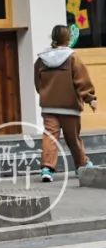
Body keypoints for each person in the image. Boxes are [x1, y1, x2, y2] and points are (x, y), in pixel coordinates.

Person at [36, 24, 98, 182]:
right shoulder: (72, 58)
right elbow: (81, 80)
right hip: (69, 107)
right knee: (73, 138)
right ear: (68, 39)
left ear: (53, 38)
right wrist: (90, 98)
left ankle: (47, 168)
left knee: (50, 137)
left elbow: (38, 82)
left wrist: (45, 94)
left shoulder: (41, 59)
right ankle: (81, 166)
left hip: (49, 107)